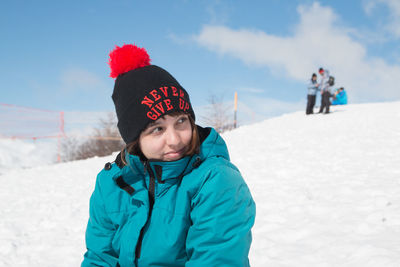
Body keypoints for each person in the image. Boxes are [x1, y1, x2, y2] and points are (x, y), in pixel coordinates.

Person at [82, 44, 256, 267]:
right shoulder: (112, 183)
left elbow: (217, 260)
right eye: (157, 129)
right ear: (136, 139)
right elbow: (100, 258)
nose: (174, 139)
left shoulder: (216, 180)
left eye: (181, 121)